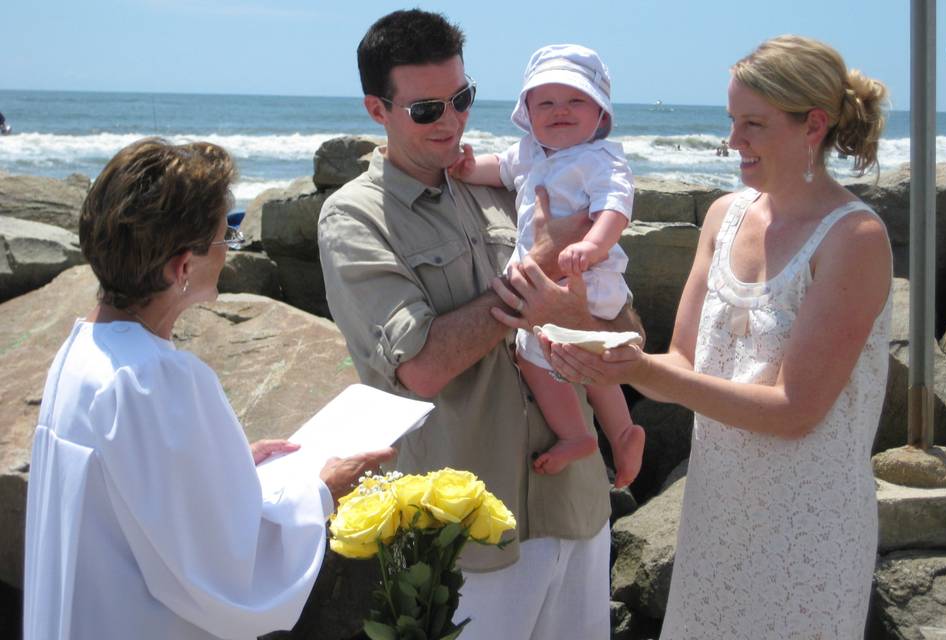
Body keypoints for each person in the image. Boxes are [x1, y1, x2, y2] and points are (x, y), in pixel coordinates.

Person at [538, 35, 891, 638]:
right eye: (732, 120)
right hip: (716, 514)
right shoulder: (725, 217)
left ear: (813, 125)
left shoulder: (854, 238)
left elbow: (794, 411)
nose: (732, 140)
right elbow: (684, 364)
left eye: (752, 123)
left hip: (809, 529)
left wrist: (636, 372)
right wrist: (588, 334)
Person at [317, 10, 641, 640]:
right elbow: (424, 366)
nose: (453, 120)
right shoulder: (353, 220)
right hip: (465, 535)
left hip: (575, 503)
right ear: (376, 110)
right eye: (426, 109)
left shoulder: (515, 184)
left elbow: (622, 322)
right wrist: (544, 260)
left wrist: (596, 313)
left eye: (462, 98)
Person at [22, 138, 394, 640]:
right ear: (182, 267)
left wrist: (226, 467)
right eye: (227, 237)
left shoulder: (81, 351)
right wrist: (321, 491)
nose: (229, 250)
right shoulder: (154, 380)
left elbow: (137, 500)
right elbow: (225, 573)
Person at [448, 44, 645, 487]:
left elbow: (616, 207)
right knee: (587, 359)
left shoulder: (601, 158)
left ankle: (577, 433)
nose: (560, 111)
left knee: (533, 354)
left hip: (586, 277)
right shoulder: (528, 154)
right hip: (567, 278)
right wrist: (466, 168)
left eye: (576, 100)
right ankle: (623, 431)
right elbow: (498, 169)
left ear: (600, 113)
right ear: (528, 112)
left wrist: (591, 245)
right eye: (547, 103)